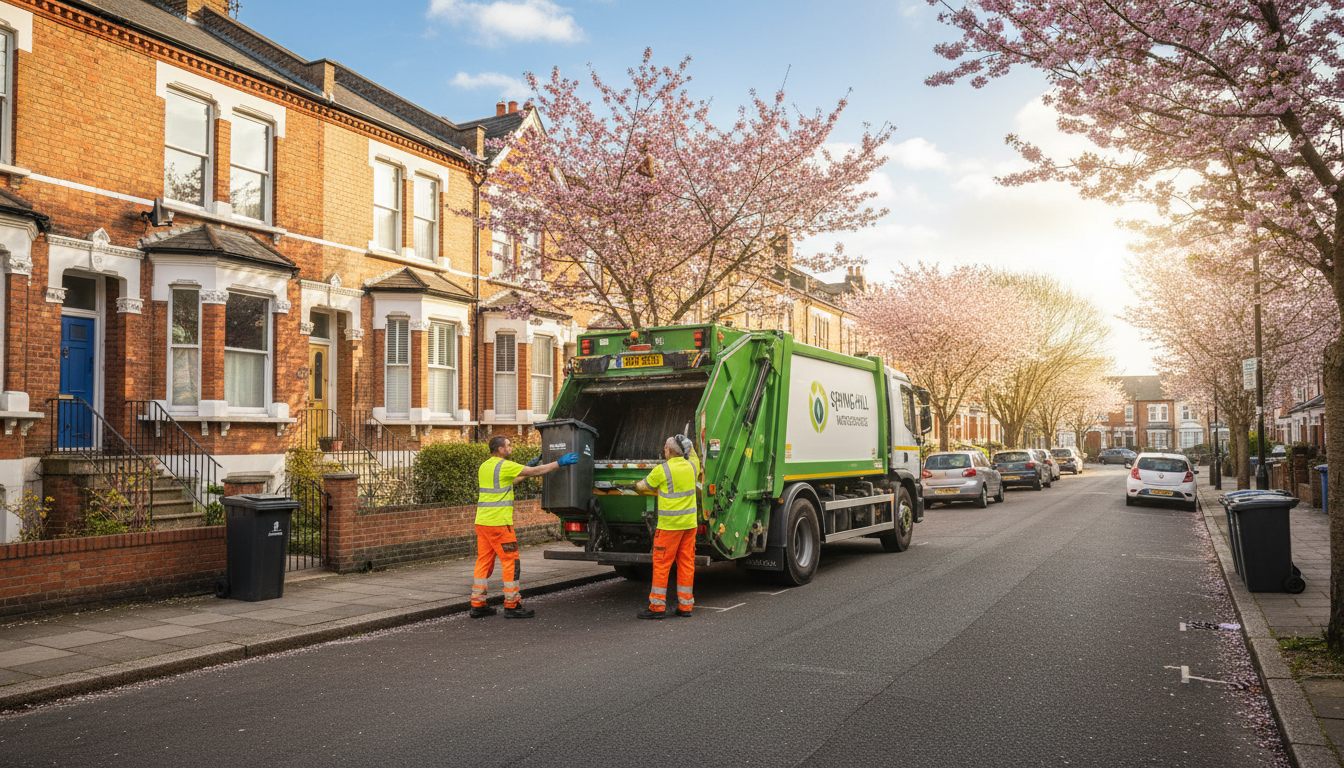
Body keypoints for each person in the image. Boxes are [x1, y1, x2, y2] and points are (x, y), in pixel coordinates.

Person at [472, 435, 578, 619]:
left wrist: (521, 474)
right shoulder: (504, 465)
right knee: (511, 561)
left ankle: (477, 604)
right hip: (500, 525)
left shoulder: (485, 466)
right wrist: (559, 463)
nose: (511, 448)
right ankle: (512, 604)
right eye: (508, 446)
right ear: (500, 449)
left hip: (482, 523)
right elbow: (536, 471)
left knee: (483, 561)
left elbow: (510, 481)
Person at [634, 434, 700, 620]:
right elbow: (693, 454)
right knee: (686, 563)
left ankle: (657, 607)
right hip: (689, 525)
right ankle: (685, 606)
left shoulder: (662, 470)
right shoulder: (692, 466)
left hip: (669, 527)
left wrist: (637, 485)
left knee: (662, 565)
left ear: (668, 451)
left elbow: (642, 487)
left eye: (665, 446)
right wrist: (688, 443)